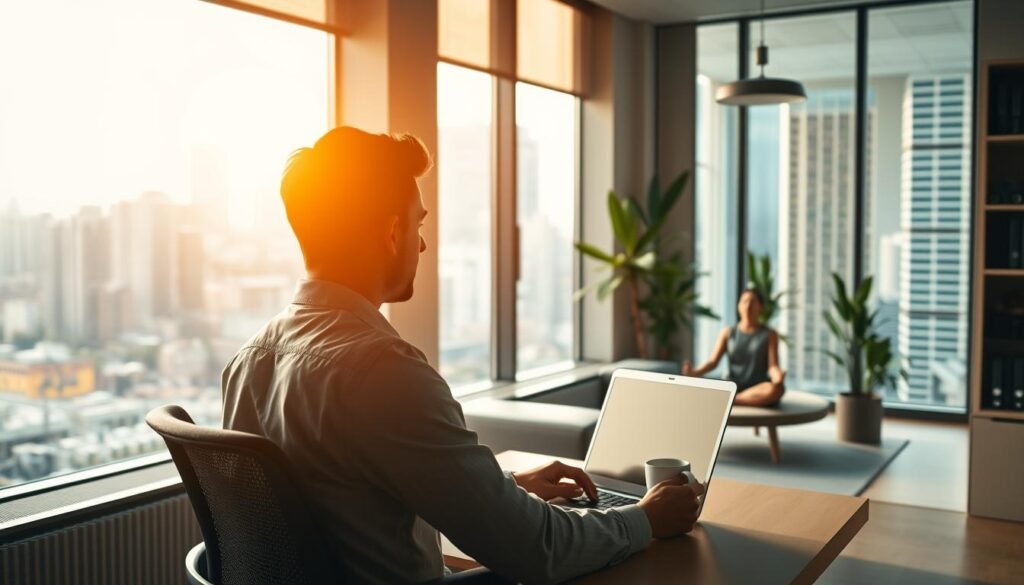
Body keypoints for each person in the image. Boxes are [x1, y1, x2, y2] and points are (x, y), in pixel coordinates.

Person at [221, 127, 704, 584]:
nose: (423, 242)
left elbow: (345, 497)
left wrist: (501, 487)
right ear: (392, 233)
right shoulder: (383, 371)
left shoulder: (248, 360)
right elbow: (538, 549)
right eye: (418, 224)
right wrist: (644, 519)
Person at [683, 288, 786, 407]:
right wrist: (695, 372)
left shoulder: (769, 334)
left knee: (776, 390)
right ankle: (736, 398)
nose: (748, 307)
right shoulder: (728, 332)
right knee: (701, 390)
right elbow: (713, 362)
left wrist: (778, 376)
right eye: (744, 302)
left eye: (752, 302)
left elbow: (773, 366)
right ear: (738, 305)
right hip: (733, 385)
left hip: (757, 388)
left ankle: (732, 400)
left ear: (760, 307)